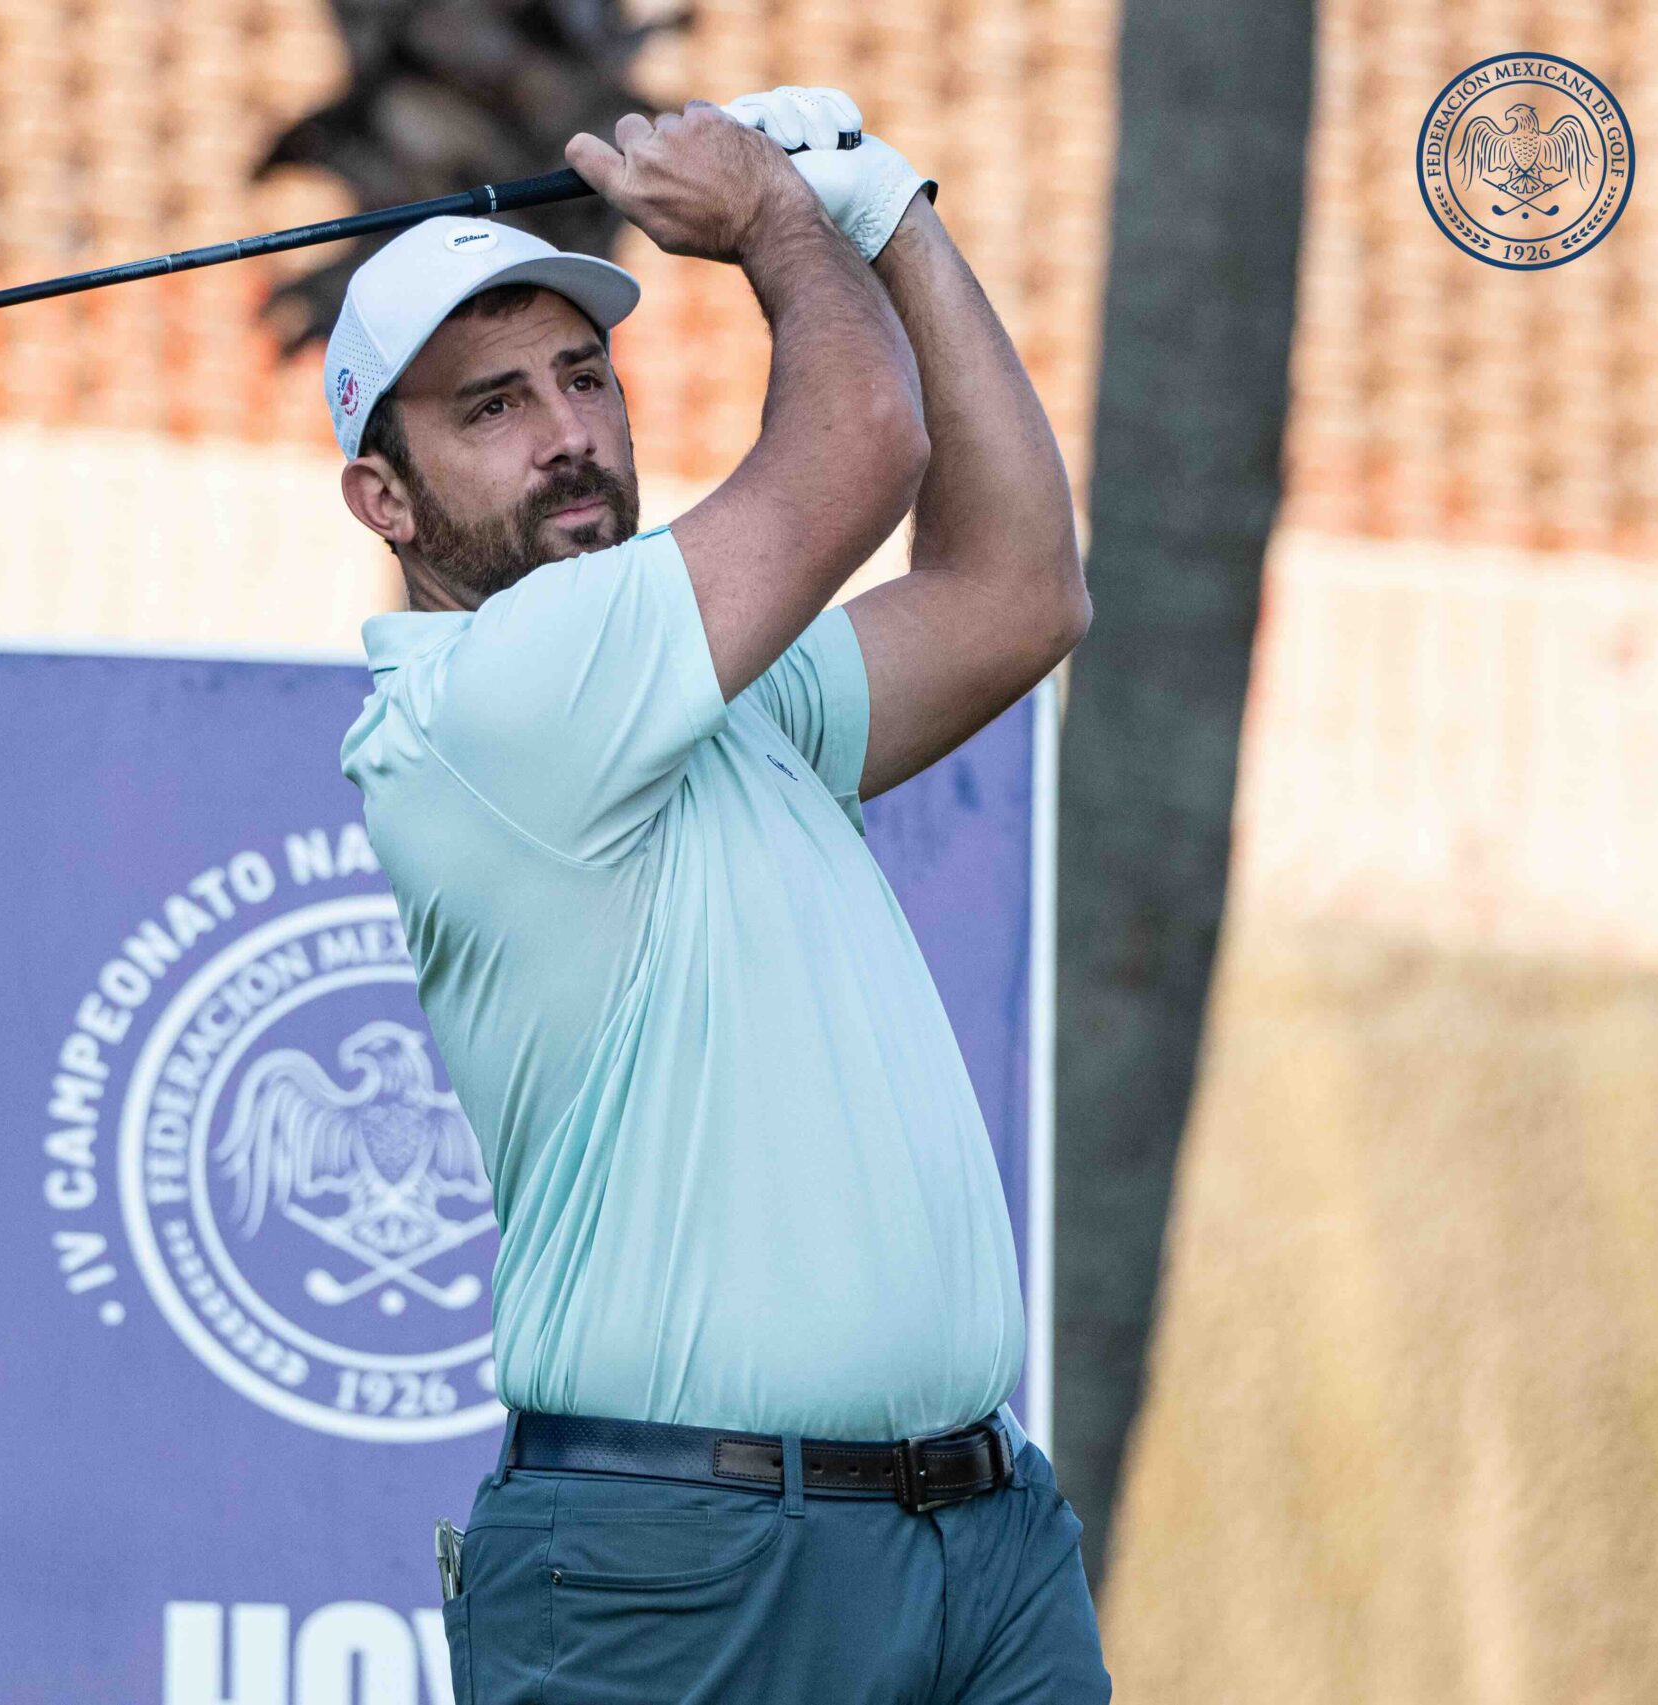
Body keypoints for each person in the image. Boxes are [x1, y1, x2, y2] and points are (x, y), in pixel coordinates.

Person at [330, 86, 1107, 1704]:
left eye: (585, 377)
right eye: (491, 407)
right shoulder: (495, 701)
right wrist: (780, 220)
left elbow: (1017, 590)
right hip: (680, 1562)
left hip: (979, 1538)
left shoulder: (715, 692)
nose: (568, 432)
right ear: (385, 501)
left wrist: (895, 219)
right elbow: (864, 445)